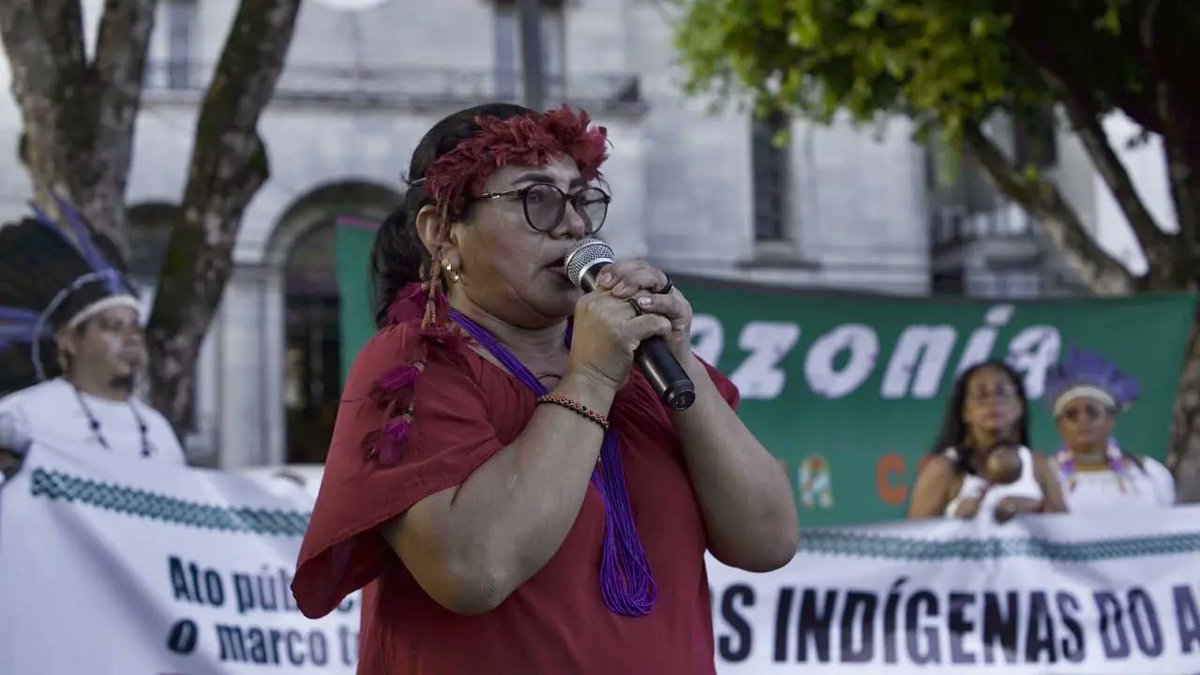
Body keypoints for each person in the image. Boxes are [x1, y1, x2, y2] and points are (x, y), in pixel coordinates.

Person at [291, 103, 799, 673]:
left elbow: (769, 540)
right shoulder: (414, 362)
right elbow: (471, 570)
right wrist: (591, 380)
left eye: (582, 199)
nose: (573, 225)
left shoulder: (645, 365)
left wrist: (677, 356)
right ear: (442, 234)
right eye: (536, 199)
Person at [0, 199, 185, 483]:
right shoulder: (21, 419)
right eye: (114, 327)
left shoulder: (157, 430)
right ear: (69, 341)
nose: (131, 339)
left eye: (136, 327)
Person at [908, 359, 1067, 522]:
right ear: (965, 412)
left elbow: (1069, 534)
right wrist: (953, 519)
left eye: (1002, 392)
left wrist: (1037, 508)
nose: (992, 402)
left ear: (1019, 406)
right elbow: (915, 539)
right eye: (981, 395)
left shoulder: (1038, 466)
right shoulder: (943, 469)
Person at [1045, 347, 1175, 512]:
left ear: (1111, 419)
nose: (1083, 420)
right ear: (1059, 425)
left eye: (1093, 412)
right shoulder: (1044, 477)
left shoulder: (1150, 474)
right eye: (1072, 414)